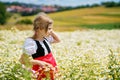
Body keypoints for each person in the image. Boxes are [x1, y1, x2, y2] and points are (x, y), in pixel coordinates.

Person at [19, 12, 60, 80]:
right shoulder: (31, 42)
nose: (51, 31)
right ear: (39, 29)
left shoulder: (46, 39)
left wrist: (50, 31)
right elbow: (23, 60)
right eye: (49, 29)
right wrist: (39, 62)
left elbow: (58, 40)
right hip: (39, 70)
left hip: (50, 67)